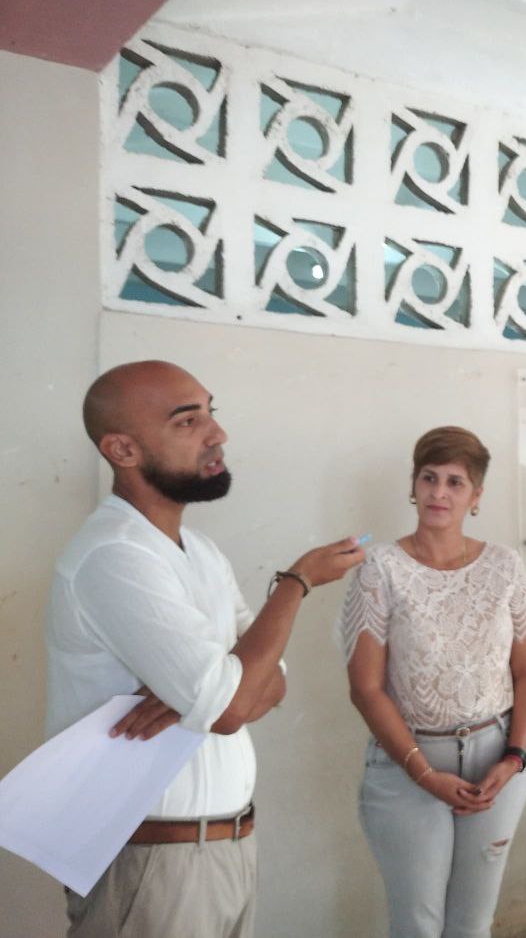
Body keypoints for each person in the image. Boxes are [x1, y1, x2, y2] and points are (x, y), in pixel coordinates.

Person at [46, 360, 364, 938]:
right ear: (123, 449)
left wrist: (208, 690)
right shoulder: (115, 556)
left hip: (223, 844)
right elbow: (230, 709)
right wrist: (297, 583)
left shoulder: (199, 549)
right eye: (188, 421)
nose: (217, 434)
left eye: (211, 412)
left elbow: (272, 682)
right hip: (151, 863)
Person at [341, 426, 526, 938]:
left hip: (496, 760)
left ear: (476, 497)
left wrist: (513, 757)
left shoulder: (504, 565)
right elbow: (366, 687)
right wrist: (424, 775)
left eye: (455, 482)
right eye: (429, 478)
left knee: (473, 924)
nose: (439, 493)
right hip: (409, 764)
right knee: (418, 925)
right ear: (413, 485)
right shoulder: (380, 566)